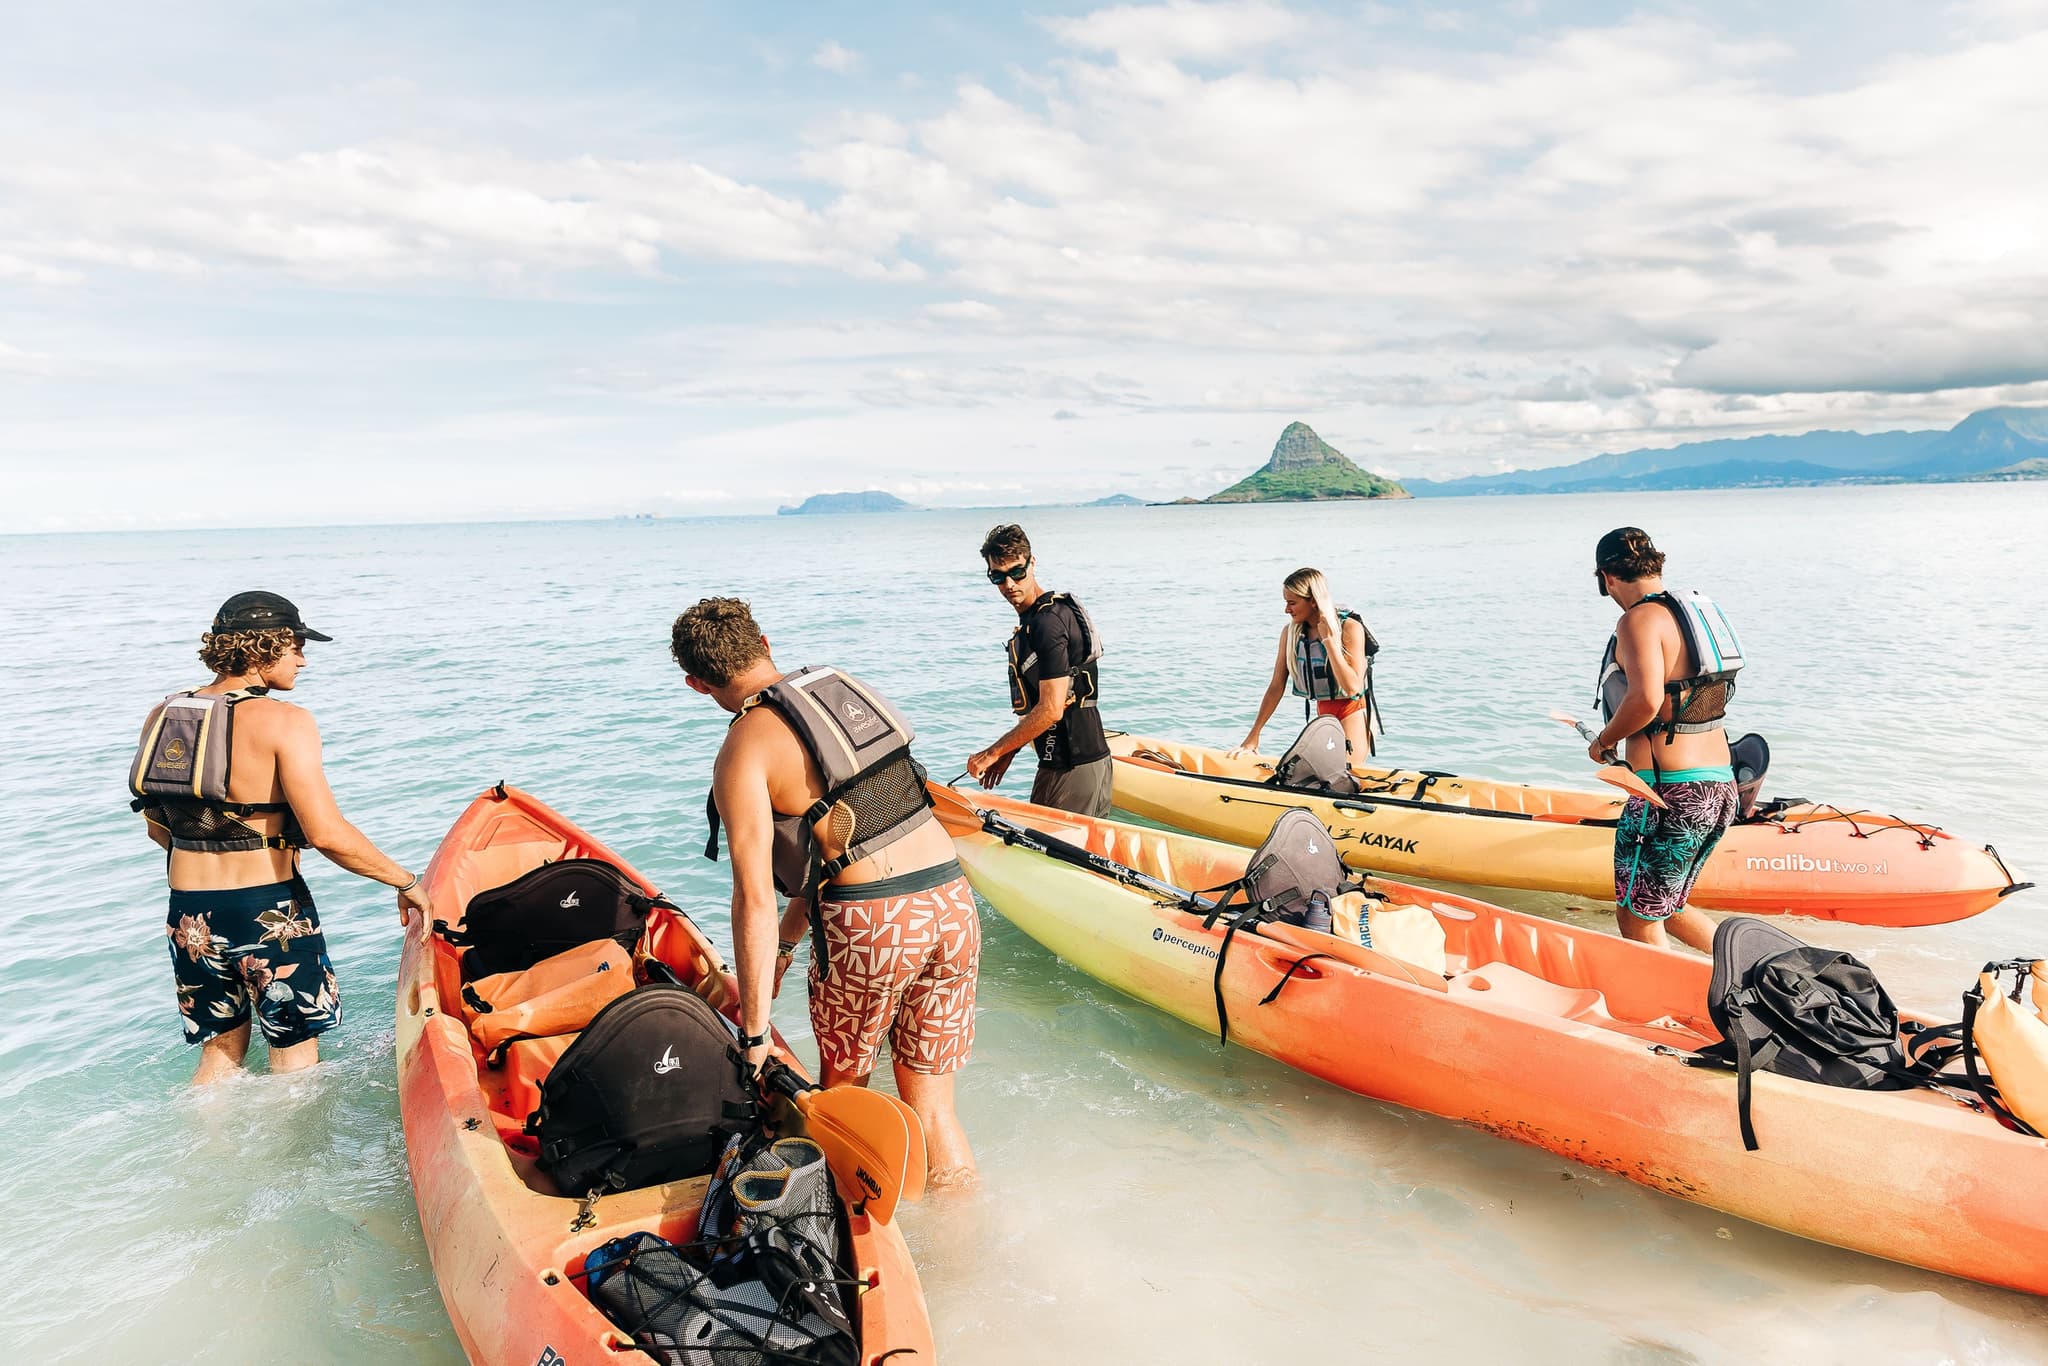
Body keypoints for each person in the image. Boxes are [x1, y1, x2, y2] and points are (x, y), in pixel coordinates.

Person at [673, 597, 978, 1187]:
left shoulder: (744, 748)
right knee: (936, 1108)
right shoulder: (840, 687)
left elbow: (754, 897)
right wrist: (788, 947)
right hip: (950, 899)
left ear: (696, 683)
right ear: (764, 644)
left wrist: (755, 1034)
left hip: (872, 925)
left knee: (843, 1100)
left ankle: (863, 1233)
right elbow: (846, 834)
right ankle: (963, 1224)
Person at [132, 592, 433, 1085]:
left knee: (219, 1056)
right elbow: (327, 834)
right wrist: (405, 881)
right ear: (264, 647)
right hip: (267, 910)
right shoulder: (286, 721)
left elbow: (156, 825)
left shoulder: (165, 713)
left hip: (187, 912)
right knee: (295, 1060)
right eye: (296, 647)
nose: (303, 660)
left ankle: (207, 1132)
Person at [1588, 528, 1741, 953]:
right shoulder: (1695, 613)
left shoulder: (1637, 619)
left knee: (1636, 917)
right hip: (1717, 786)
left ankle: (1665, 997)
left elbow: (1645, 700)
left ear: (1607, 578)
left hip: (1668, 794)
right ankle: (1750, 976)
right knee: (1668, 908)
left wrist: (1603, 741)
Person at [966, 524, 1111, 816]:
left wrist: (992, 753)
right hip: (1091, 766)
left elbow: (1051, 709)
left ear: (1032, 563)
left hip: (1068, 770)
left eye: (1017, 572)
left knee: (1039, 843)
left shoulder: (1047, 623)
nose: (1009, 584)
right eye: (998, 576)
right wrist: (1010, 751)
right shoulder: (1047, 616)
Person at [1235, 567, 1379, 759]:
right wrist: (1254, 734)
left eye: (1292, 603)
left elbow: (1353, 688)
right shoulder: (1290, 634)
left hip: (1352, 711)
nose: (1287, 610)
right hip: (1323, 714)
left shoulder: (1350, 628)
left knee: (1345, 773)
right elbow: (1276, 686)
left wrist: (1329, 642)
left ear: (1313, 600)